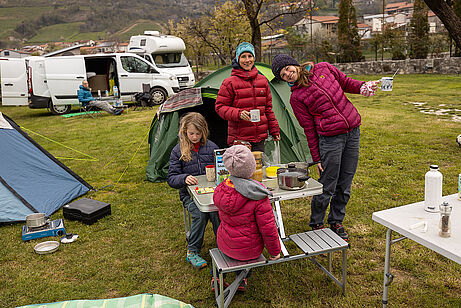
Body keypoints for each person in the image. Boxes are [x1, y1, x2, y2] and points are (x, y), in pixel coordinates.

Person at [271, 54, 378, 241]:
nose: (288, 74)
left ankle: (336, 220)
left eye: (288, 69)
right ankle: (317, 222)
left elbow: (346, 82)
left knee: (345, 182)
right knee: (328, 183)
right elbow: (309, 129)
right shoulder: (296, 97)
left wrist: (363, 87)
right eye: (283, 74)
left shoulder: (323, 68)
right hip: (330, 140)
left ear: (294, 64)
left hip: (352, 132)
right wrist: (317, 158)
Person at [213, 145, 281, 291]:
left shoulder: (220, 189)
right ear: (251, 168)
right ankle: (242, 276)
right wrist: (275, 251)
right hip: (249, 250)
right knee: (246, 251)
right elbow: (268, 227)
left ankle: (227, 277)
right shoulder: (257, 195)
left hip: (224, 245)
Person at [167, 112, 220, 269]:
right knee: (200, 214)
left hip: (212, 194)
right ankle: (192, 251)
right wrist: (183, 178)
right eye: (191, 133)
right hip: (189, 196)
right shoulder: (178, 151)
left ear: (203, 131)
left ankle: (223, 247)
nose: (195, 137)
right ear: (185, 132)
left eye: (198, 133)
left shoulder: (212, 147)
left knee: (217, 211)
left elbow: (221, 170)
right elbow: (171, 178)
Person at [215, 42, 280, 152]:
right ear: (238, 59)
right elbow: (220, 107)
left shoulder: (263, 81)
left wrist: (274, 130)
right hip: (239, 139)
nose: (247, 60)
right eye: (243, 56)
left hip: (259, 138)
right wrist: (238, 113)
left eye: (250, 56)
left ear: (254, 58)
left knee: (259, 168)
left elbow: (268, 109)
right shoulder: (229, 83)